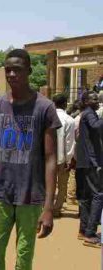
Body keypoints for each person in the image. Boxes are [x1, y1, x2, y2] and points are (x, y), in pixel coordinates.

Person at [0, 49, 61, 270]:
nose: (12, 74)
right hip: (0, 193)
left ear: (29, 71)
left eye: (17, 69)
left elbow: (51, 158)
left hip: (31, 196)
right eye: (8, 70)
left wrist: (48, 207)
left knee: (24, 256)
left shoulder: (45, 108)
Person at [75, 91, 103, 248]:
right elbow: (96, 126)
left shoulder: (85, 113)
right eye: (93, 99)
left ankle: (84, 230)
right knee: (98, 195)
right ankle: (90, 233)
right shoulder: (90, 114)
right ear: (86, 102)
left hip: (84, 161)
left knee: (86, 197)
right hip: (91, 161)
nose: (97, 100)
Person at [52, 93, 75, 217]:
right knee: (62, 185)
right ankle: (56, 209)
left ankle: (46, 207)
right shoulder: (69, 120)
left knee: (47, 184)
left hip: (46, 158)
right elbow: (69, 142)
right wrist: (68, 159)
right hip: (62, 159)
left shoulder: (46, 117)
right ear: (65, 104)